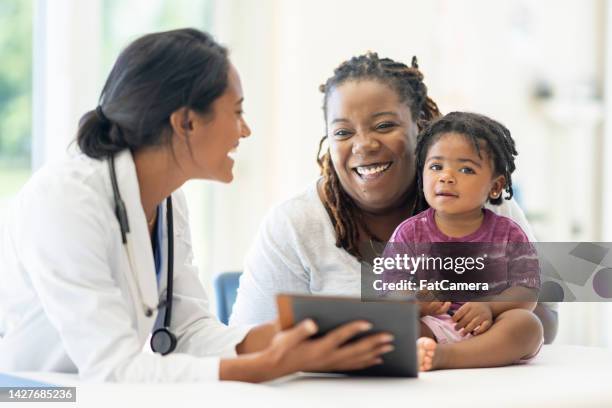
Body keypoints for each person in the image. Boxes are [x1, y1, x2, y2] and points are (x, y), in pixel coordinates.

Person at [0, 29, 395, 382]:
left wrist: (293, 338)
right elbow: (113, 369)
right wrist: (265, 365)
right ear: (186, 123)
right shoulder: (66, 200)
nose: (245, 129)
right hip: (29, 392)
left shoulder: (168, 200)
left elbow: (186, 333)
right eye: (237, 111)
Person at [230, 52, 558, 343]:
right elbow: (248, 341)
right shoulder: (293, 224)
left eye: (384, 125)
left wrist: (484, 303)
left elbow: (545, 322)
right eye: (343, 132)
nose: (363, 145)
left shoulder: (482, 203)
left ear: (422, 128)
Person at [382, 111, 543, 371]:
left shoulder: (508, 233)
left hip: (492, 327)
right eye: (436, 166)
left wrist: (490, 306)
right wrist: (415, 302)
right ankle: (430, 351)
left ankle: (446, 357)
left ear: (495, 185)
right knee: (392, 325)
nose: (446, 176)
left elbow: (527, 290)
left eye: (466, 169)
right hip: (432, 325)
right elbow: (389, 289)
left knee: (527, 325)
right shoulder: (409, 233)